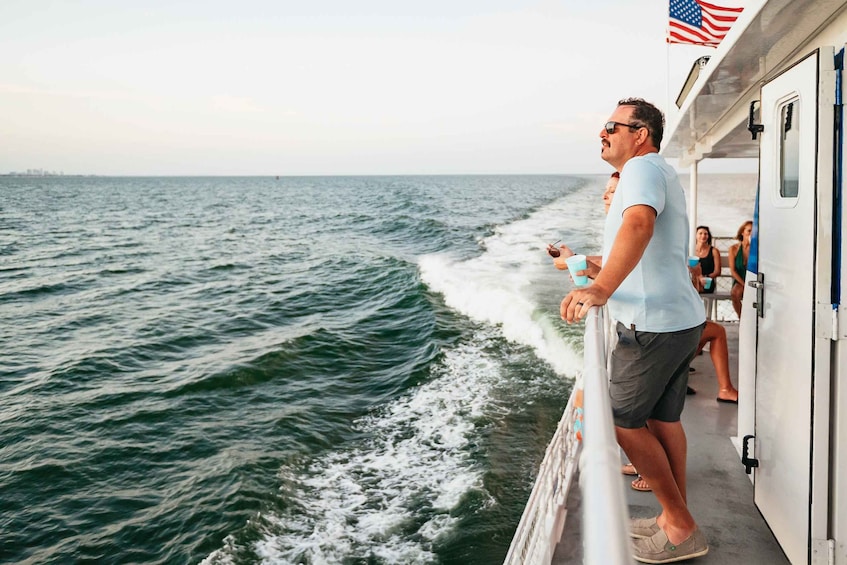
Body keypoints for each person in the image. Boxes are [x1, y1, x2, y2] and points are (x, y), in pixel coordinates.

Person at [561, 98, 708, 563]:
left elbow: (640, 224)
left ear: (639, 133)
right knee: (663, 422)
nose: (602, 133)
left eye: (612, 126)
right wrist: (591, 269)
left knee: (622, 422)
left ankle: (681, 525)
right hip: (676, 320)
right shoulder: (654, 172)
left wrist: (601, 287)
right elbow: (642, 247)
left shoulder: (642, 169)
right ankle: (673, 518)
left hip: (651, 327)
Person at [728, 221, 753, 317]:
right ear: (742, 232)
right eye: (749, 231)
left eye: (753, 231)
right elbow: (733, 271)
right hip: (740, 279)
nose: (751, 233)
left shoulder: (757, 249)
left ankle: (753, 318)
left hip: (754, 278)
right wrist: (744, 284)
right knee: (735, 293)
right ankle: (742, 318)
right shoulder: (733, 249)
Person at [694, 226, 721, 294]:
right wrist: (698, 278)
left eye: (705, 234)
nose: (703, 236)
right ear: (695, 235)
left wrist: (705, 277)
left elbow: (717, 271)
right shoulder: (690, 250)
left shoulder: (714, 251)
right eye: (700, 233)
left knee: (695, 287)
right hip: (693, 280)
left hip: (707, 281)